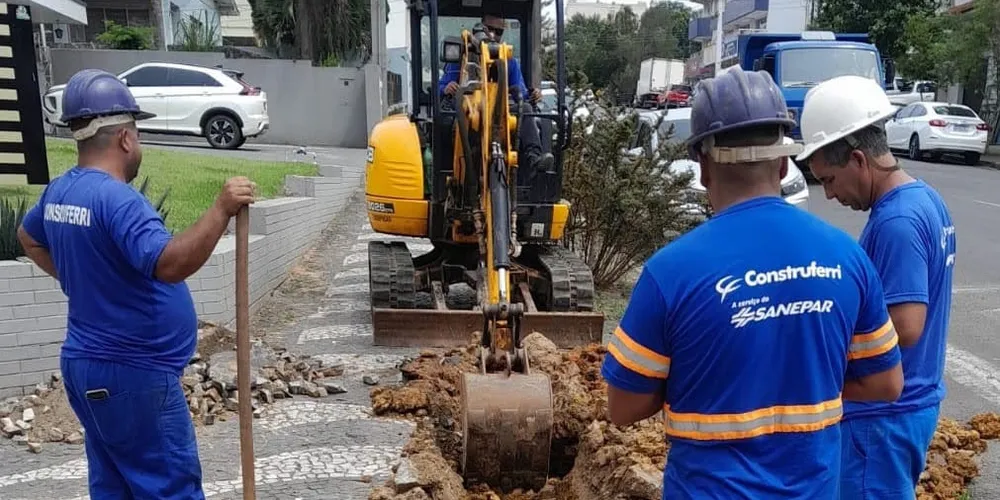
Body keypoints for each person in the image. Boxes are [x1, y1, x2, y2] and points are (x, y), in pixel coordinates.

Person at [600, 66, 904, 499]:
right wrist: (806, 377)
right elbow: (885, 384)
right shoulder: (847, 257)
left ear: (703, 166)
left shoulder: (670, 273)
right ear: (782, 164)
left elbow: (623, 407)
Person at [15, 69, 254, 498]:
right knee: (169, 488)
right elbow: (169, 264)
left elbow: (28, 237)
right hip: (133, 375)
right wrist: (220, 209)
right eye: (137, 134)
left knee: (115, 486)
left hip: (85, 368)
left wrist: (77, 279)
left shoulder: (61, 192)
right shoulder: (119, 199)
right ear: (126, 138)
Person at [796, 75, 957, 499]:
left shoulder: (896, 222)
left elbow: (905, 327)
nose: (829, 196)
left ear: (858, 160)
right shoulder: (924, 199)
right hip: (907, 406)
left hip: (883, 416)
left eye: (829, 179)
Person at [438, 13, 554, 177]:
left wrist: (531, 95)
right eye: (489, 29)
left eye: (498, 32)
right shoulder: (462, 57)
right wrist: (446, 88)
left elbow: (519, 90)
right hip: (469, 113)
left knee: (526, 108)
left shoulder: (509, 61)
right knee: (444, 122)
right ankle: (450, 174)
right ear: (480, 28)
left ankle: (534, 159)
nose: (493, 35)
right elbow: (441, 86)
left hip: (501, 113)